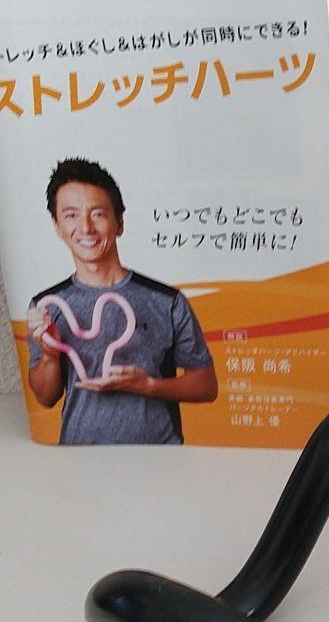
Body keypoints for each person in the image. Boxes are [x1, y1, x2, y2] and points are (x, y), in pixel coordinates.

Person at [26, 158, 218, 445]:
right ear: (57, 226)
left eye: (98, 214)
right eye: (71, 215)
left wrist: (148, 386)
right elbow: (45, 397)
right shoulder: (46, 306)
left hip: (159, 457)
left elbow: (206, 386)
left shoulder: (167, 301)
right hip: (79, 458)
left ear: (119, 223)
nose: (86, 227)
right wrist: (50, 355)